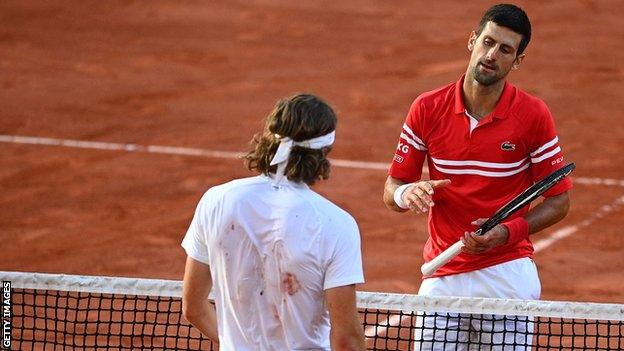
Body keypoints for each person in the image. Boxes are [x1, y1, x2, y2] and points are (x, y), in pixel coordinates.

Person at [382, 4, 572, 350]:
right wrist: (405, 194)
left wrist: (506, 233)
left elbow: (560, 199)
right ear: (472, 41)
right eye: (487, 42)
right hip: (443, 270)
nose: (491, 55)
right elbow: (392, 188)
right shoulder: (427, 108)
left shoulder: (533, 115)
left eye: (505, 49)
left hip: (507, 272)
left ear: (517, 61)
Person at [181, 93, 366, 351]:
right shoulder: (336, 224)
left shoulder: (216, 200)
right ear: (323, 153)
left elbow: (193, 307)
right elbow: (347, 340)